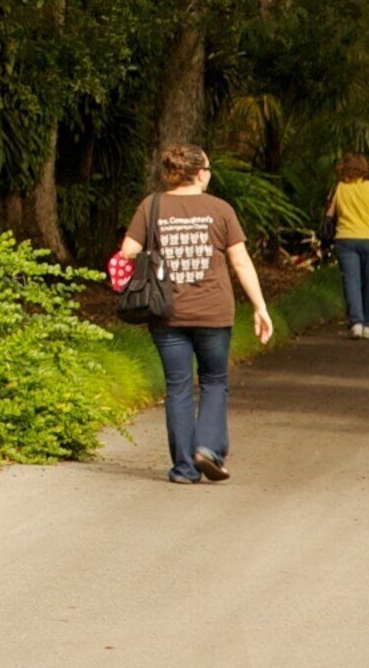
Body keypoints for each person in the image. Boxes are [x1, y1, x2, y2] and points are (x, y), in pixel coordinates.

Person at [116, 144, 278, 485]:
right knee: (214, 382)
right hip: (214, 312)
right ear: (200, 173)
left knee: (178, 387)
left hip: (166, 312)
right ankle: (207, 448)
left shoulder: (152, 206)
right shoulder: (220, 209)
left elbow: (128, 252)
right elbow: (240, 261)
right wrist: (260, 307)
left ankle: (184, 469)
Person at [326, 152, 369, 339]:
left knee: (351, 280)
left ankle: (356, 321)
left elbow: (330, 213)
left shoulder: (340, 188)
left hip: (345, 238)